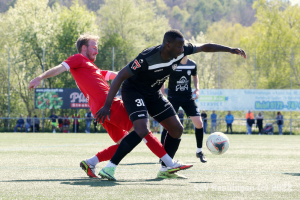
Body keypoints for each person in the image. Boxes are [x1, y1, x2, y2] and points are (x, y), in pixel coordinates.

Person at [28, 33, 186, 180]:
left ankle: (90, 162)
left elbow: (112, 74)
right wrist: (40, 77)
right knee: (141, 130)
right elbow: (60, 67)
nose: (97, 51)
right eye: (94, 47)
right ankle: (169, 164)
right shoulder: (78, 58)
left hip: (99, 110)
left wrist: (138, 75)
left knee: (124, 142)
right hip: (108, 105)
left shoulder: (90, 68)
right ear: (84, 48)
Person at [96, 29, 246, 180]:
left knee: (177, 129)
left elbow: (205, 46)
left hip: (153, 94)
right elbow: (121, 75)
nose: (182, 50)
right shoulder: (147, 57)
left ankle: (165, 169)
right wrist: (107, 105)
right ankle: (110, 167)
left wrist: (230, 50)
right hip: (134, 91)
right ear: (167, 45)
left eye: (183, 47)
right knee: (141, 129)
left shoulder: (181, 50)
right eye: (179, 47)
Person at [160, 55, 207, 163]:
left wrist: (197, 89)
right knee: (168, 125)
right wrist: (162, 92)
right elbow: (163, 77)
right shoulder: (172, 63)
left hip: (187, 98)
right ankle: (162, 154)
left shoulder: (192, 64)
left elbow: (195, 76)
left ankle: (199, 152)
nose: (182, 50)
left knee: (199, 123)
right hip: (173, 98)